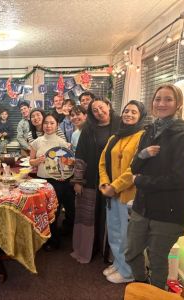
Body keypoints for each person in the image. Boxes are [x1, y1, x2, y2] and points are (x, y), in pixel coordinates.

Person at [126, 84, 184, 289]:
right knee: (131, 252)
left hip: (168, 210)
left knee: (157, 260)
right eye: (157, 99)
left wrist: (140, 181)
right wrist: (142, 155)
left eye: (168, 99)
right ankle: (142, 285)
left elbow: (178, 179)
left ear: (178, 103)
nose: (161, 103)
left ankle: (154, 293)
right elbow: (135, 166)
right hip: (142, 205)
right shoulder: (149, 131)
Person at [98, 100, 146, 284]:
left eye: (134, 112)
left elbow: (135, 167)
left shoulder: (142, 137)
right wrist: (104, 184)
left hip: (129, 195)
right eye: (127, 110)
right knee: (115, 232)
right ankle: (119, 264)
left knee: (127, 237)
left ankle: (128, 272)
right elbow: (102, 163)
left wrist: (114, 187)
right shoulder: (114, 137)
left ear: (141, 115)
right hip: (111, 194)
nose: (129, 114)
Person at [71, 97, 120, 264]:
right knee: (89, 215)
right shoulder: (88, 129)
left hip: (115, 179)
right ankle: (87, 249)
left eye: (101, 107)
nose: (99, 112)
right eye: (94, 111)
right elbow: (80, 155)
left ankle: (109, 253)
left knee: (110, 216)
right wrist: (78, 180)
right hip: (91, 178)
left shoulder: (121, 126)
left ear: (109, 105)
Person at [29, 113, 68, 250]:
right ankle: (41, 239)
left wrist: (65, 174)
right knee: (41, 211)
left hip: (57, 181)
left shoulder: (62, 143)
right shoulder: (37, 141)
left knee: (53, 212)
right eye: (46, 123)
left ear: (57, 125)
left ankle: (54, 241)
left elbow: (67, 163)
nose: (48, 126)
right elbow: (31, 161)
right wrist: (37, 161)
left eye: (52, 123)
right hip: (41, 181)